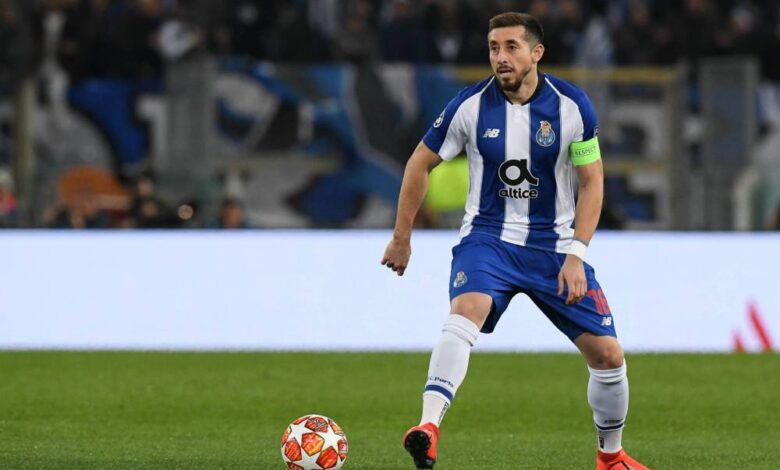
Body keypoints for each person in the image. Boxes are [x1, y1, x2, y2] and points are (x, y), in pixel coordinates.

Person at [380, 12, 650, 470]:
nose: (500, 57)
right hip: (488, 239)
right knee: (466, 309)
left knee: (608, 356)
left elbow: (592, 182)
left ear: (536, 53)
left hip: (554, 247)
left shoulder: (572, 106)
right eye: (493, 48)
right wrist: (402, 237)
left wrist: (577, 255)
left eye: (511, 47)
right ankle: (427, 427)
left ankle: (611, 457)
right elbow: (418, 163)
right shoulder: (469, 106)